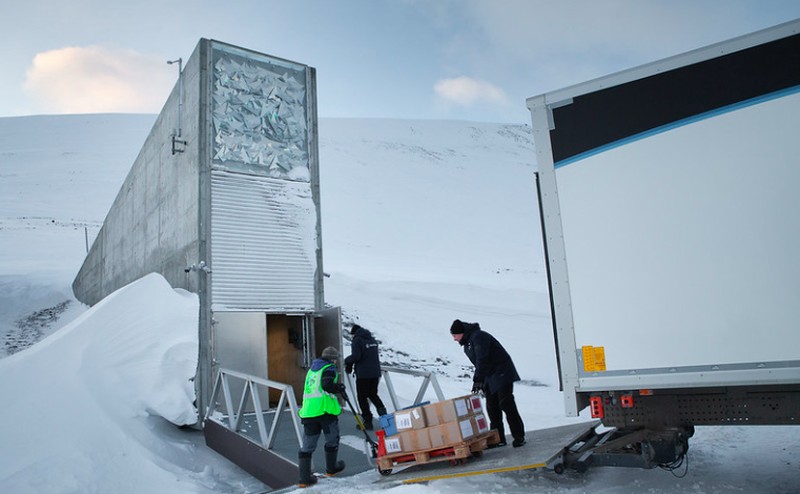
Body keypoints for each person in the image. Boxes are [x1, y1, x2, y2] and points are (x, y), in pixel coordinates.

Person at [450, 319, 526, 448]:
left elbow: (482, 358)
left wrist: (478, 379)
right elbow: (480, 364)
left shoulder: (479, 336)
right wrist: (481, 381)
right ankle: (498, 439)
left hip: (502, 371)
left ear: (461, 333)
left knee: (506, 403)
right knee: (492, 406)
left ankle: (519, 436)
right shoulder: (467, 344)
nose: (454, 339)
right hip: (490, 376)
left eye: (455, 335)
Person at [297, 346, 346, 487]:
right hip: (324, 412)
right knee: (332, 439)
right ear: (332, 359)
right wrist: (338, 387)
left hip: (309, 412)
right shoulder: (329, 368)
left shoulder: (312, 370)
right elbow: (327, 385)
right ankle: (332, 468)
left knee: (308, 445)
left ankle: (304, 479)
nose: (336, 362)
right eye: (335, 360)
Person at [344, 323, 387, 431]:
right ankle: (385, 419)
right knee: (373, 394)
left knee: (362, 397)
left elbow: (356, 356)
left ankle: (367, 421)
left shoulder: (357, 340)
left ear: (354, 333)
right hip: (375, 372)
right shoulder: (372, 340)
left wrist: (347, 362)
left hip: (364, 374)